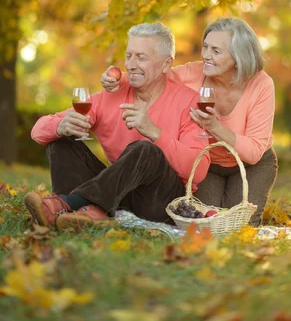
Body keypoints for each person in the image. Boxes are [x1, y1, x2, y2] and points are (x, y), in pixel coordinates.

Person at [24, 23, 210, 231]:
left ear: (166, 65)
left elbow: (199, 169)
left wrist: (155, 133)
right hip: (117, 194)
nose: (131, 64)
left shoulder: (189, 101)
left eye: (141, 57)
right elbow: (38, 131)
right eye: (129, 56)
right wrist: (60, 126)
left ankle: (68, 204)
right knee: (61, 137)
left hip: (161, 201)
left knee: (145, 149)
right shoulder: (111, 94)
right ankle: (83, 212)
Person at [102, 17, 278, 226]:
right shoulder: (194, 72)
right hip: (208, 164)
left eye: (216, 51)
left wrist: (214, 126)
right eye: (205, 47)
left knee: (242, 225)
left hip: (251, 165)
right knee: (205, 222)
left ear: (238, 56)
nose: (206, 56)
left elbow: (254, 151)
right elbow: (154, 74)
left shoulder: (261, 85)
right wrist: (118, 78)